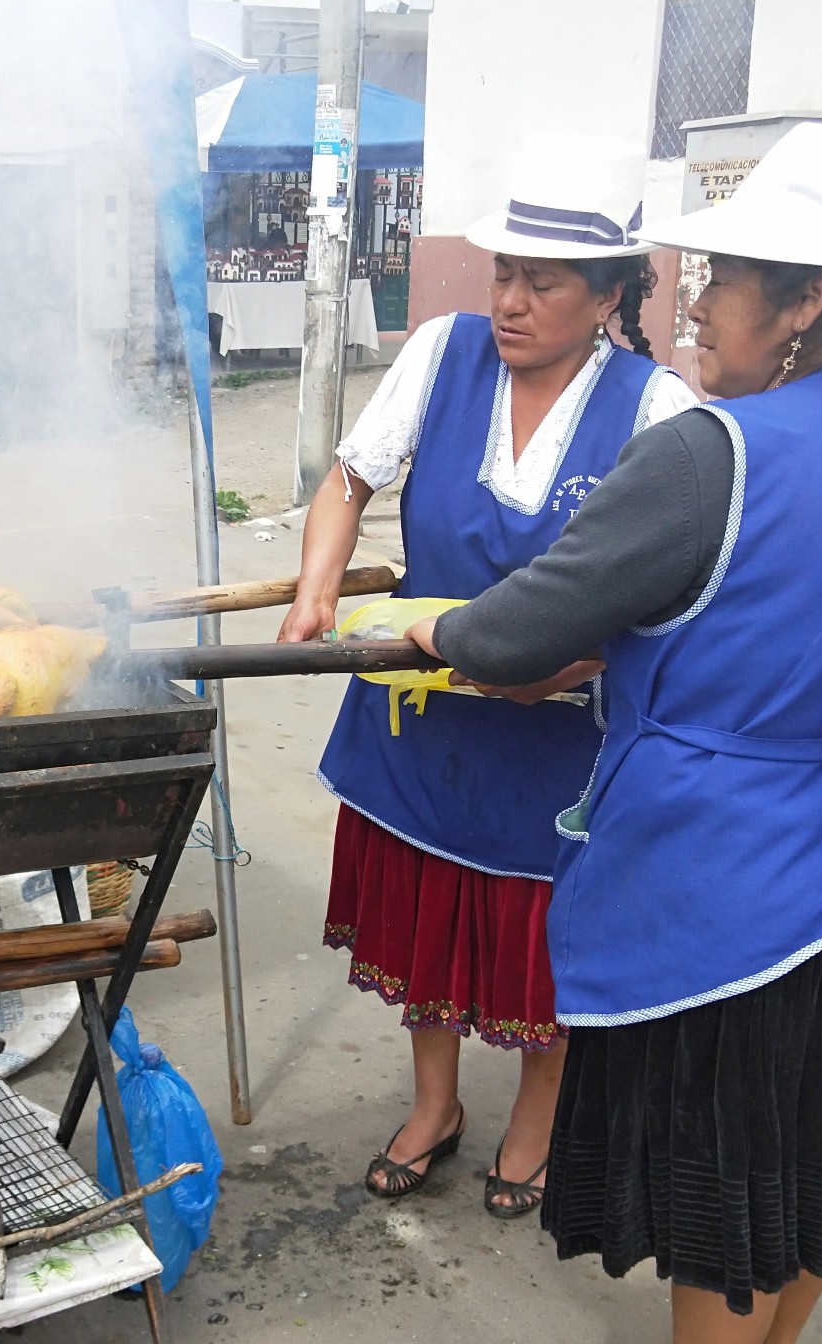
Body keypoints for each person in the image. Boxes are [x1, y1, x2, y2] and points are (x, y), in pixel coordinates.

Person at [403, 124, 822, 1344]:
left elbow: (518, 632)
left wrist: (439, 624)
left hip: (753, 886)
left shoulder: (714, 454)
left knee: (736, 1151)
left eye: (724, 279)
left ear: (805, 301)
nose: (695, 305)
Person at [280, 137, 697, 1215]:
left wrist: (570, 661)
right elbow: (347, 479)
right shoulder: (441, 351)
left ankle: (535, 1117)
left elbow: (669, 595)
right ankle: (434, 1105)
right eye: (500, 275)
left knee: (534, 935)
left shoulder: (655, 410)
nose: (509, 303)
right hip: (422, 715)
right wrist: (314, 591)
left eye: (540, 284)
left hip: (555, 732)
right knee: (428, 912)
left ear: (605, 295)